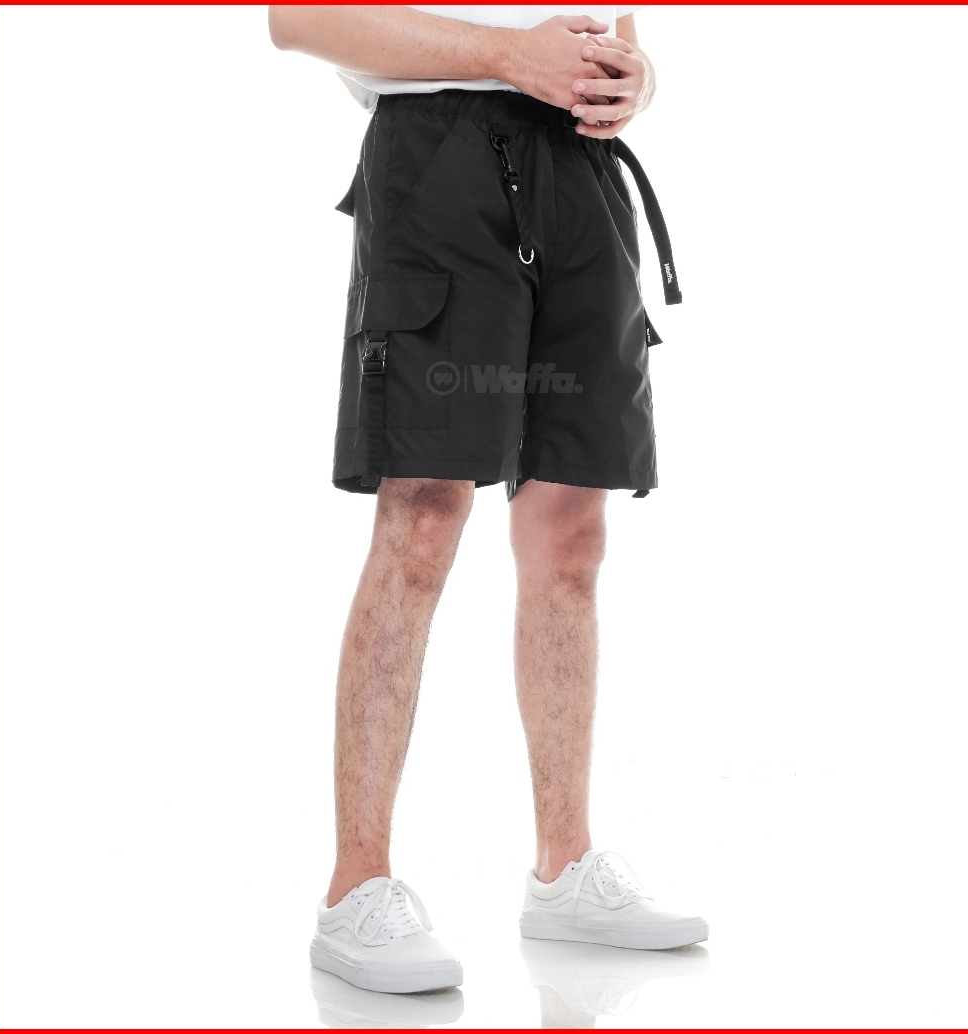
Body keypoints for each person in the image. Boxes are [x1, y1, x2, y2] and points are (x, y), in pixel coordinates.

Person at [269, 4, 707, 995]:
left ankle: (565, 868)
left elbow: (620, 29)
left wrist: (636, 79)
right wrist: (509, 56)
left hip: (583, 171)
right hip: (439, 160)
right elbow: (297, 19)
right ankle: (355, 888)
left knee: (571, 526)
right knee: (423, 513)